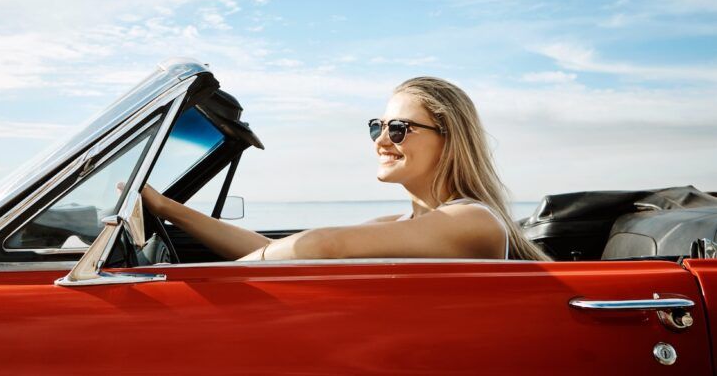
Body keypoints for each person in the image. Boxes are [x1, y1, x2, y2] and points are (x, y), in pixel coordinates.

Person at [135, 76, 550, 262]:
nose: (381, 140)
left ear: (449, 138)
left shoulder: (472, 220)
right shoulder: (404, 222)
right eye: (378, 126)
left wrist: (206, 282)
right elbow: (278, 251)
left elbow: (319, 246)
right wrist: (167, 208)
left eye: (399, 129)